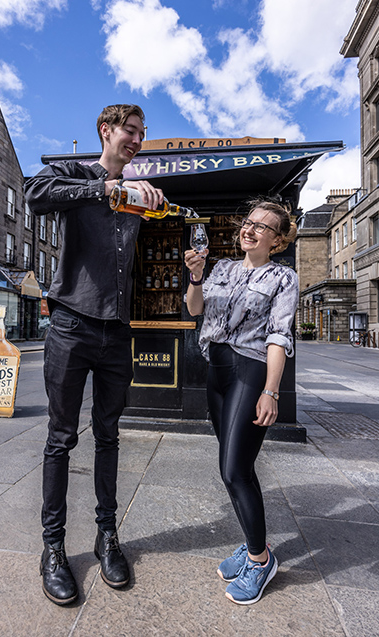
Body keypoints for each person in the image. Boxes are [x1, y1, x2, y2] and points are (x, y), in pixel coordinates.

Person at [25, 104, 164, 605]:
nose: (136, 140)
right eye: (130, 131)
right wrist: (102, 188)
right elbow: (34, 194)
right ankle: (53, 549)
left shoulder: (138, 197)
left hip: (116, 332)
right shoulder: (74, 174)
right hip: (69, 324)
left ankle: (108, 537)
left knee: (109, 436)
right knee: (61, 439)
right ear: (106, 131)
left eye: (142, 134)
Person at [184, 199, 299, 605]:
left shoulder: (283, 278)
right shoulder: (224, 268)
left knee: (233, 470)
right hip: (216, 371)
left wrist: (271, 390)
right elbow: (196, 310)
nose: (249, 230)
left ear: (278, 240)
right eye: (248, 223)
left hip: (249, 372)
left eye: (262, 227)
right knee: (233, 466)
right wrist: (196, 276)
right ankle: (253, 543)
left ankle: (260, 559)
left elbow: (279, 337)